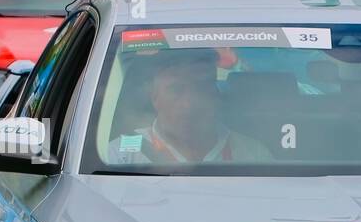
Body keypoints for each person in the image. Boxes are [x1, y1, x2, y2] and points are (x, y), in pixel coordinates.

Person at [108, 50, 272, 165]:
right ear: (154, 97)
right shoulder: (120, 155)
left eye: (201, 87)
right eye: (176, 90)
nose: (189, 104)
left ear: (215, 95)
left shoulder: (254, 154)